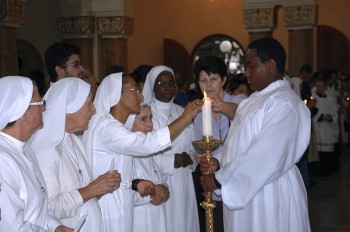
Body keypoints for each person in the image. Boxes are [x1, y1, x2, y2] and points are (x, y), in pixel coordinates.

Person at [200, 38, 311, 232]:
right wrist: (218, 161)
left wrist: (219, 179)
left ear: (270, 66)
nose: (246, 73)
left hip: (269, 191)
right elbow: (239, 143)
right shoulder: (255, 100)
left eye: (251, 66)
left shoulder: (285, 104)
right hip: (247, 187)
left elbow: (266, 155)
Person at [82, 73, 201, 232]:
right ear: (117, 94)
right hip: (109, 208)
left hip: (123, 207)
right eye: (135, 90)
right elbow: (147, 144)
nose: (141, 95)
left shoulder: (118, 129)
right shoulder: (106, 128)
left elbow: (126, 180)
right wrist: (185, 118)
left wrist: (142, 187)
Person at [27, 78, 121, 231]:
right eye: (89, 103)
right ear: (70, 108)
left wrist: (102, 186)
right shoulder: (45, 149)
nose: (94, 109)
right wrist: (91, 189)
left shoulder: (75, 141)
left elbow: (82, 193)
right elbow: (48, 208)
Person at [0, 76, 71, 231]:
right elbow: (11, 226)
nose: (43, 108)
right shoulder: (2, 159)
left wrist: (54, 226)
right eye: (41, 103)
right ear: (22, 111)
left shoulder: (26, 149)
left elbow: (38, 208)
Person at [192, 56, 247, 232]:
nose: (208, 85)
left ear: (223, 80)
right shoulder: (199, 113)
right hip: (212, 179)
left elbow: (243, 114)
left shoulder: (238, 101)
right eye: (203, 80)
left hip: (239, 178)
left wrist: (222, 106)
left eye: (213, 79)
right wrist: (204, 161)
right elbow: (198, 146)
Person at [142, 65, 200, 232]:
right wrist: (171, 161)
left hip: (183, 180)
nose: (168, 87)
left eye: (171, 83)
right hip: (160, 180)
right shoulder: (145, 114)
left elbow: (192, 146)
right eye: (162, 83)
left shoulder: (183, 112)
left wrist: (190, 159)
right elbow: (142, 151)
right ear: (153, 87)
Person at [126, 104, 170, 232]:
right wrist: (151, 194)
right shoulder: (125, 153)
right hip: (137, 221)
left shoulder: (151, 150)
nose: (150, 124)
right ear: (130, 123)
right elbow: (123, 191)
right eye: (143, 119)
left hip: (157, 219)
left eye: (151, 118)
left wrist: (164, 189)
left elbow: (160, 178)